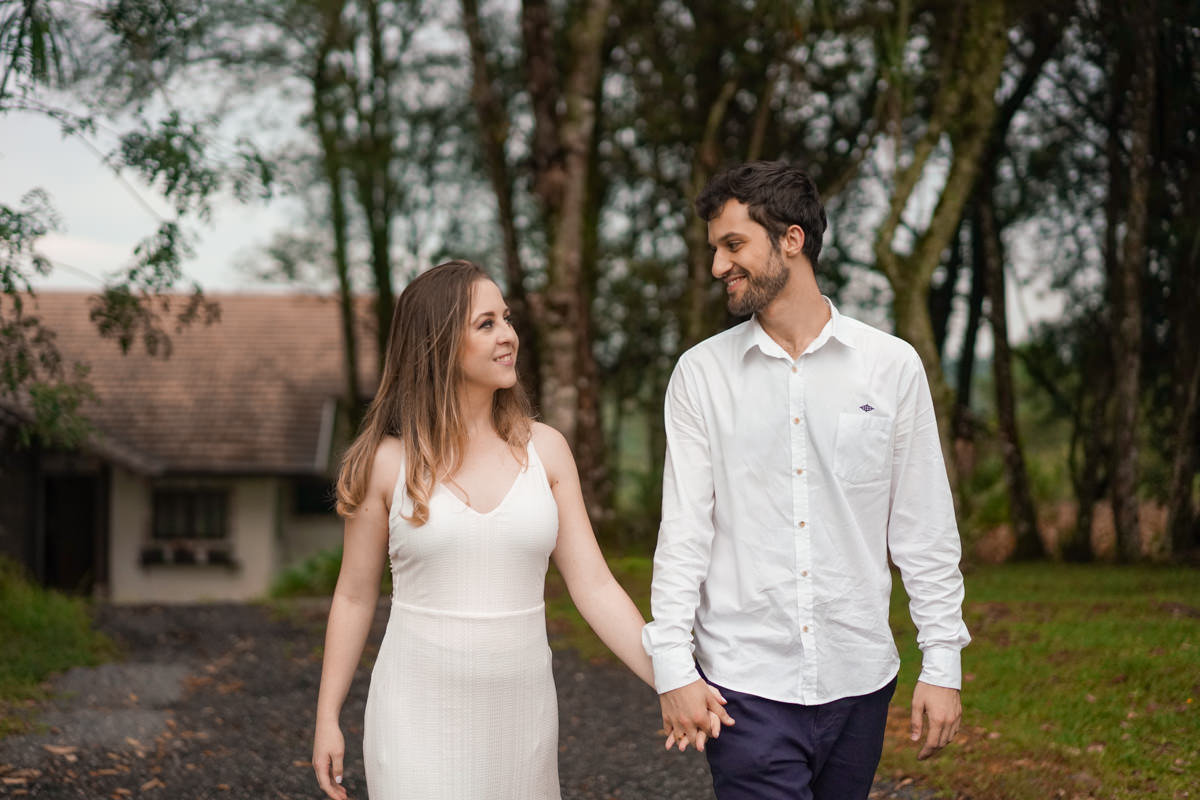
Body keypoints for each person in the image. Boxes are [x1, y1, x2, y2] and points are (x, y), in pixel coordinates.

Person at [311, 260, 729, 800]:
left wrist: (672, 678)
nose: (508, 335)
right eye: (486, 324)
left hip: (523, 719)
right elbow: (353, 595)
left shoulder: (547, 450)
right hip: (414, 714)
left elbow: (595, 587)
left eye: (506, 319)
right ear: (437, 342)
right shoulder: (386, 463)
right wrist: (327, 716)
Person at [642, 161, 971, 799]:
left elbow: (924, 528)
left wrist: (944, 662)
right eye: (715, 249)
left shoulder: (891, 367)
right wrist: (672, 666)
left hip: (861, 679)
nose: (717, 266)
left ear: (791, 240)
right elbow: (684, 531)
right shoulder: (700, 375)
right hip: (744, 686)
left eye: (733, 245)